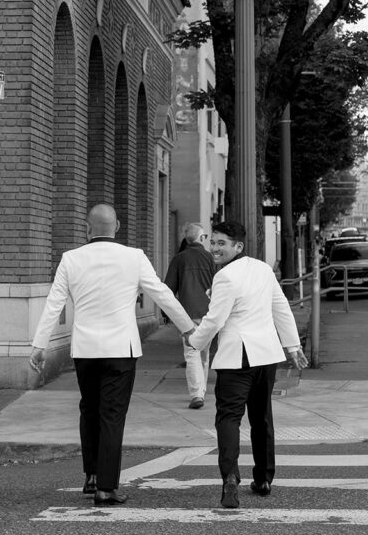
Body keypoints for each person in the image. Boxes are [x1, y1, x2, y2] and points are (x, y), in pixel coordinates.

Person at [30, 203, 196, 506]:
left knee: (89, 410)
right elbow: (161, 293)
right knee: (112, 415)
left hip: (85, 349)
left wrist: (40, 344)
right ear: (117, 226)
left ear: (87, 228)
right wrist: (186, 327)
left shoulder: (70, 259)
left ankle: (92, 476)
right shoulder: (134, 257)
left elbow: (55, 302)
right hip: (121, 348)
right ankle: (107, 487)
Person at [186, 220, 308, 509]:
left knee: (228, 418)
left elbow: (215, 320)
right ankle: (264, 478)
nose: (214, 248)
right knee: (261, 417)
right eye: (213, 242)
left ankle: (230, 479)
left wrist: (195, 341)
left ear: (238, 246)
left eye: (222, 243)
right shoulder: (263, 269)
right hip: (266, 356)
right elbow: (280, 307)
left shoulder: (225, 276)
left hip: (236, 357)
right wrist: (292, 346)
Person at [164, 222, 215, 409]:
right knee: (204, 354)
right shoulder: (210, 258)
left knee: (191, 352)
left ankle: (196, 394)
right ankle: (201, 392)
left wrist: (166, 313)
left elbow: (168, 289)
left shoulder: (179, 259)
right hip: (209, 313)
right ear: (201, 238)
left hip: (187, 314)